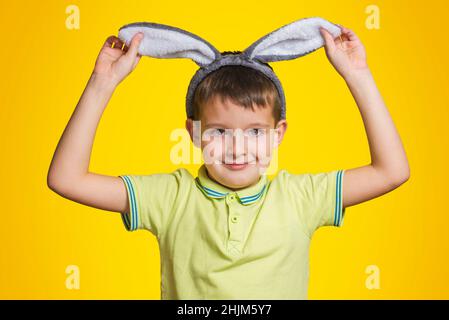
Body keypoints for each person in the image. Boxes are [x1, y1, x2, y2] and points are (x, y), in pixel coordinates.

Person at [47, 25, 410, 299]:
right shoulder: (171, 197)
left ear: (278, 133)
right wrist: (102, 83)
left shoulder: (301, 197)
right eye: (219, 132)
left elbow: (392, 172)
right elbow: (67, 179)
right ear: (193, 132)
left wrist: (358, 76)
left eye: (254, 132)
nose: (237, 148)